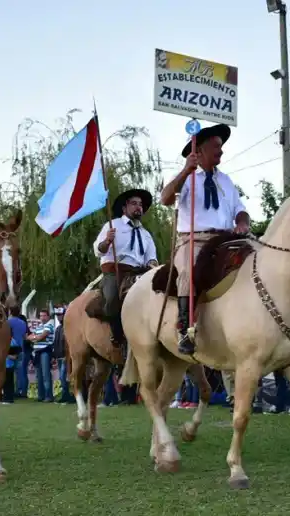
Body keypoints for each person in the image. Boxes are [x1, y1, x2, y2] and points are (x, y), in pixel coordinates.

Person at [159, 124, 251, 354]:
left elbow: (240, 209)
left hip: (227, 239)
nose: (221, 151)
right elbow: (165, 199)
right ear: (199, 151)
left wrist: (242, 223)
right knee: (188, 272)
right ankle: (185, 329)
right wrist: (185, 171)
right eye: (216, 147)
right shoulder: (186, 179)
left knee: (257, 260)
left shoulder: (227, 181)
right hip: (194, 239)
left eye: (221, 146)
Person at [92, 189, 158, 346]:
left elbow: (152, 258)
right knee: (112, 298)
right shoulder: (112, 225)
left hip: (139, 272)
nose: (138, 207)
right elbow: (98, 250)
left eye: (141, 205)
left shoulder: (146, 234)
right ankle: (117, 337)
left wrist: (152, 266)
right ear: (124, 207)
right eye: (134, 203)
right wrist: (107, 241)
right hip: (115, 272)